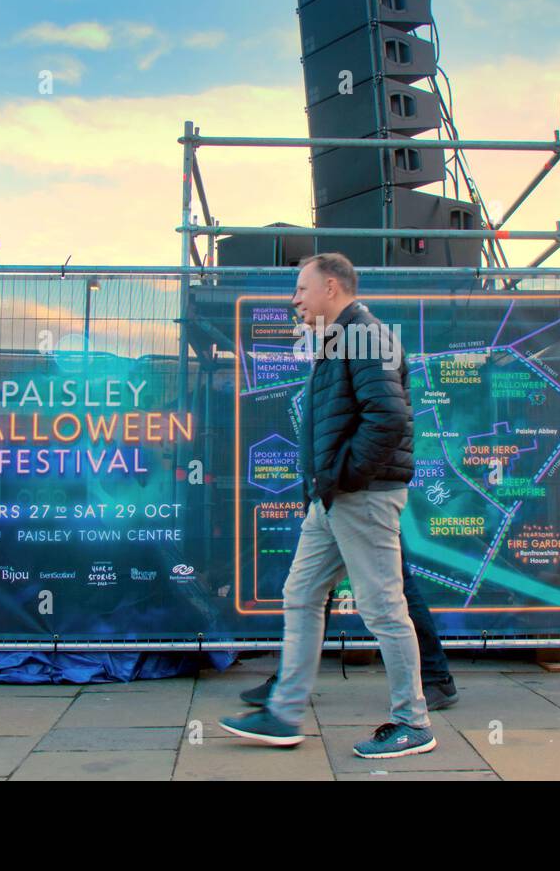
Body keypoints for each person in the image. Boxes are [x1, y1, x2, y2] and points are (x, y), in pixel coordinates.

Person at [220, 254, 436, 758]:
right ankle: (284, 713)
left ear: (332, 287)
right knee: (300, 593)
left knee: (383, 609)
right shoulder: (340, 339)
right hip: (334, 497)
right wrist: (330, 485)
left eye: (302, 288)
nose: (294, 299)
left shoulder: (365, 336)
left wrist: (345, 477)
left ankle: (414, 723)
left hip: (360, 495)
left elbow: (388, 418)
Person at [237, 537, 459, 711]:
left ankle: (429, 687)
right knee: (309, 588)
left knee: (390, 585)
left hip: (356, 502)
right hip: (334, 502)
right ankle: (288, 687)